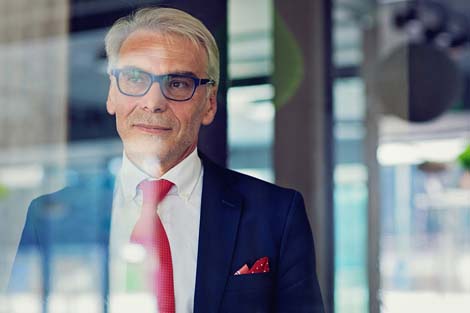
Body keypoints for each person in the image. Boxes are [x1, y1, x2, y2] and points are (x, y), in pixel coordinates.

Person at [9, 7, 324, 313]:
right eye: (134, 78)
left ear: (209, 103)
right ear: (112, 94)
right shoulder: (49, 219)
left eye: (178, 84)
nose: (153, 102)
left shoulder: (275, 214)